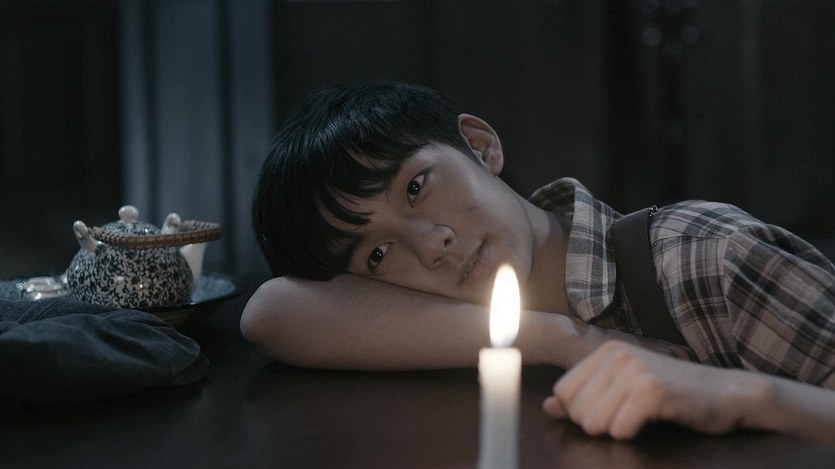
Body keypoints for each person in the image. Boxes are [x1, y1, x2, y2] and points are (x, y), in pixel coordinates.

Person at [241, 81, 835, 445]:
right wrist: (565, 338)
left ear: (480, 146)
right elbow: (271, 313)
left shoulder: (703, 255)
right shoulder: (434, 338)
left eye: (417, 187)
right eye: (377, 253)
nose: (431, 244)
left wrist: (742, 396)